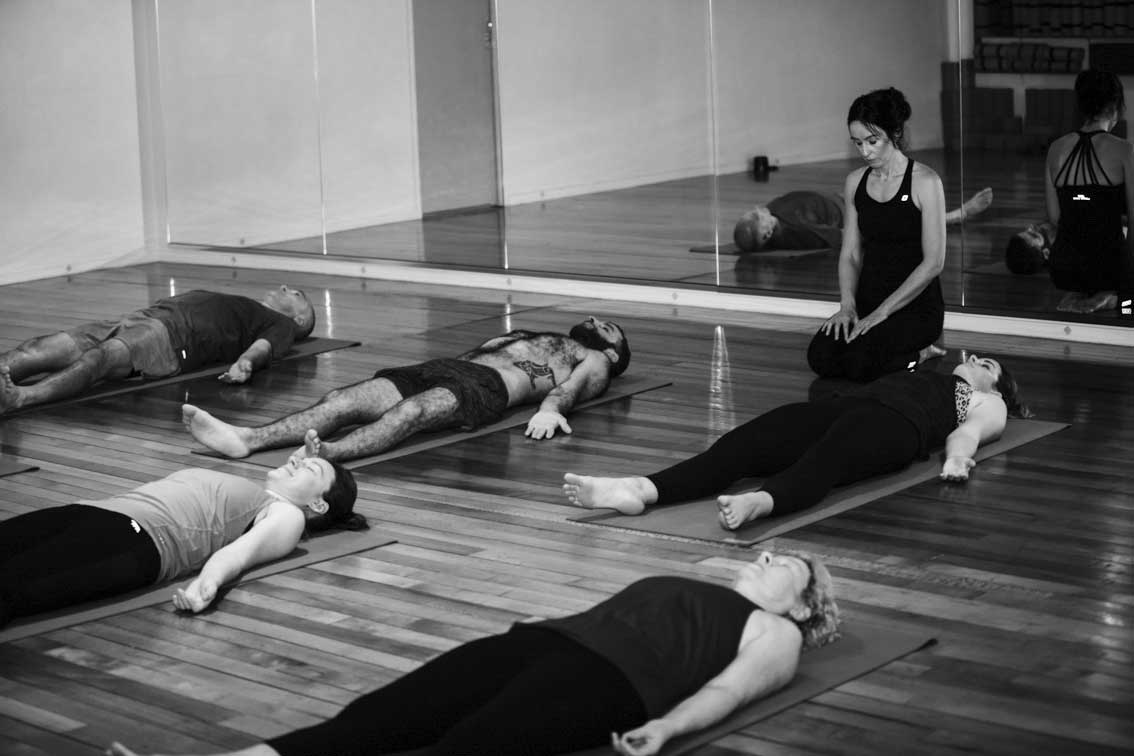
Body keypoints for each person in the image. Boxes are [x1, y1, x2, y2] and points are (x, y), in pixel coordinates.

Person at [107, 549, 839, 756]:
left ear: (804, 605)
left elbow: (732, 692)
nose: (766, 559)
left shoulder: (777, 634)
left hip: (610, 683)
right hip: (541, 644)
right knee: (373, 720)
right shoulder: (701, 586)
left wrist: (669, 729)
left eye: (786, 565)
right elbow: (614, 610)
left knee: (464, 747)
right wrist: (543, 622)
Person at [564, 353, 1027, 532]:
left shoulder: (987, 402)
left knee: (828, 458)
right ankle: (640, 489)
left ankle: (760, 503)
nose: (974, 359)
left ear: (996, 386)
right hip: (844, 406)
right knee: (744, 444)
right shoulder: (929, 370)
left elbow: (967, 434)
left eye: (986, 363)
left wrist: (958, 462)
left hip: (897, 427)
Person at [182, 316, 631, 462]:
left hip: (486, 387)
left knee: (411, 415)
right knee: (342, 400)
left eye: (608, 329)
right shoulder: (534, 333)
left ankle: (328, 455)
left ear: (612, 354)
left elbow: (571, 390)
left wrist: (552, 409)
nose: (595, 323)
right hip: (446, 367)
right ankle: (248, 439)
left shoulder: (593, 361)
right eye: (595, 319)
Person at [0, 458, 361, 627]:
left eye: (309, 469)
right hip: (94, 512)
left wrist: (206, 586)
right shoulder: (256, 493)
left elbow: (238, 555)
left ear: (317, 504)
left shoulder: (288, 516)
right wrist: (311, 460)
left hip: (136, 542)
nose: (296, 461)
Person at [806, 87, 948, 382]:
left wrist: (882, 312)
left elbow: (934, 263)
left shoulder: (925, 182)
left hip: (914, 307)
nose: (865, 151)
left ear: (894, 134)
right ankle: (895, 352)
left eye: (873, 141)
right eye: (857, 143)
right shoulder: (855, 182)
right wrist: (847, 306)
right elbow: (851, 253)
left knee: (860, 363)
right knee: (820, 356)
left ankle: (919, 354)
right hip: (867, 300)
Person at [0, 286, 316, 414]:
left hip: (172, 338)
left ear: (300, 317)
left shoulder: (283, 325)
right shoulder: (251, 307)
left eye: (296, 293)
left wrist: (245, 363)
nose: (286, 288)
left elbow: (263, 348)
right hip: (146, 316)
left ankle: (20, 398)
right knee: (38, 347)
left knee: (102, 358)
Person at [1043, 68, 1134, 313]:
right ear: (1116, 107)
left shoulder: (1055, 149)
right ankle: (1119, 302)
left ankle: (1084, 295)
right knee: (1130, 305)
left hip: (1064, 267)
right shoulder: (1125, 151)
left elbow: (1054, 218)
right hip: (1109, 268)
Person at [734, 187, 993, 253]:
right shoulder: (790, 230)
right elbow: (833, 237)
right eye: (765, 235)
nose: (768, 228)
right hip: (850, 214)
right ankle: (955, 215)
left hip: (843, 201)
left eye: (761, 222)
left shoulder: (775, 211)